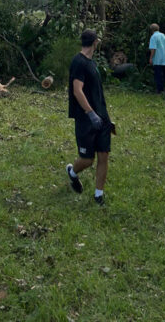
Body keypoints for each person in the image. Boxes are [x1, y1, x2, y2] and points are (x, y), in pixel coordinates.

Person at [66, 29, 114, 205]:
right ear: (94, 42)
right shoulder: (78, 62)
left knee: (104, 155)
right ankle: (72, 172)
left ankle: (98, 194)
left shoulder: (92, 63)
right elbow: (77, 91)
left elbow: (96, 93)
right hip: (86, 118)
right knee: (87, 160)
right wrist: (91, 113)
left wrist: (106, 119)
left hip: (102, 117)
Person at [149, 23, 165, 94]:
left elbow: (153, 49)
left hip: (158, 60)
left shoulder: (153, 37)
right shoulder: (163, 35)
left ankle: (160, 91)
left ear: (151, 30)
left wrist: (151, 58)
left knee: (158, 76)